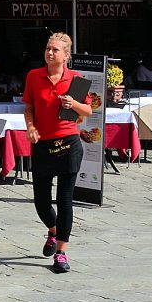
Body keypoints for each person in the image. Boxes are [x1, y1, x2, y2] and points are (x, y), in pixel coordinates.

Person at [23, 32, 92, 274]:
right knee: (41, 201)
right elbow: (29, 108)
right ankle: (53, 231)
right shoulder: (34, 76)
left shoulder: (76, 79)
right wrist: (31, 127)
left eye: (55, 50)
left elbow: (88, 111)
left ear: (66, 56)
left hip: (69, 143)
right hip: (42, 143)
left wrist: (73, 104)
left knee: (64, 200)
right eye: (48, 48)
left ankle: (61, 252)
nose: (50, 53)